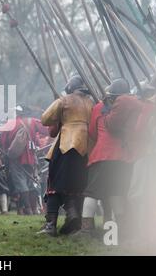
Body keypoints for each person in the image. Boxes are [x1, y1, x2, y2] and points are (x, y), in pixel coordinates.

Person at [78, 79, 141, 237]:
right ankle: (118, 230)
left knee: (91, 193)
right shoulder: (134, 106)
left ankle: (86, 230)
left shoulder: (100, 107)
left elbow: (92, 132)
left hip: (103, 156)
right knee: (116, 193)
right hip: (123, 157)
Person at [39, 75, 94, 236]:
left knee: (55, 185)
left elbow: (45, 119)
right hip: (86, 148)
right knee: (77, 185)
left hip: (66, 145)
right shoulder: (91, 102)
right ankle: (74, 216)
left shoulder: (64, 100)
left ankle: (51, 225)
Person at [0, 105, 40, 216]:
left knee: (21, 184)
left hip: (16, 158)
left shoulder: (10, 124)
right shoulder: (32, 122)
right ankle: (32, 209)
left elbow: (3, 141)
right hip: (31, 158)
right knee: (29, 182)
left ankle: (28, 209)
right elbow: (37, 140)